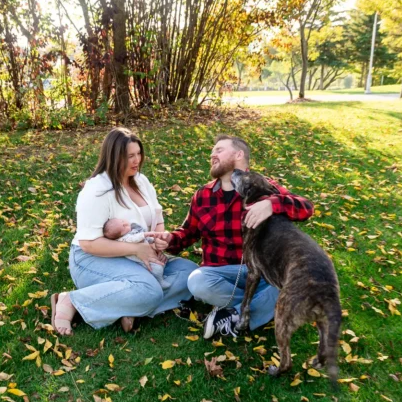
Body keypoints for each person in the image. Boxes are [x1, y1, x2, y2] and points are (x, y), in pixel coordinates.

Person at [148, 135, 314, 339]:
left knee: (294, 280)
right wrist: (169, 240)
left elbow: (306, 207)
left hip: (262, 272)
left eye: (219, 150)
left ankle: (231, 314)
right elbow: (187, 233)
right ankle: (252, 311)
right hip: (220, 275)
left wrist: (272, 204)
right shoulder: (203, 195)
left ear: (238, 154)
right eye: (212, 151)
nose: (212, 154)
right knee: (197, 282)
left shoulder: (262, 187)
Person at [50, 128, 198, 336]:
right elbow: (89, 244)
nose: (136, 160)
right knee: (149, 290)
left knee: (191, 275)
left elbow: (158, 219)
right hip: (93, 258)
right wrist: (137, 250)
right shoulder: (97, 190)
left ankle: (128, 306)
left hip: (139, 256)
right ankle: (71, 300)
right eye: (130, 156)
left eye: (138, 154)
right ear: (114, 156)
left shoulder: (141, 181)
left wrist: (158, 240)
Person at [103, 218, 171, 288]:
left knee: (162, 264)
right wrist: (145, 234)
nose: (125, 223)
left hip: (148, 253)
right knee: (157, 268)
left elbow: (146, 239)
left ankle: (160, 276)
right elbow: (135, 238)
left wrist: (154, 241)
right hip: (142, 261)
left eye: (122, 221)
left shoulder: (131, 230)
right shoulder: (124, 239)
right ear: (120, 234)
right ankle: (160, 281)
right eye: (123, 226)